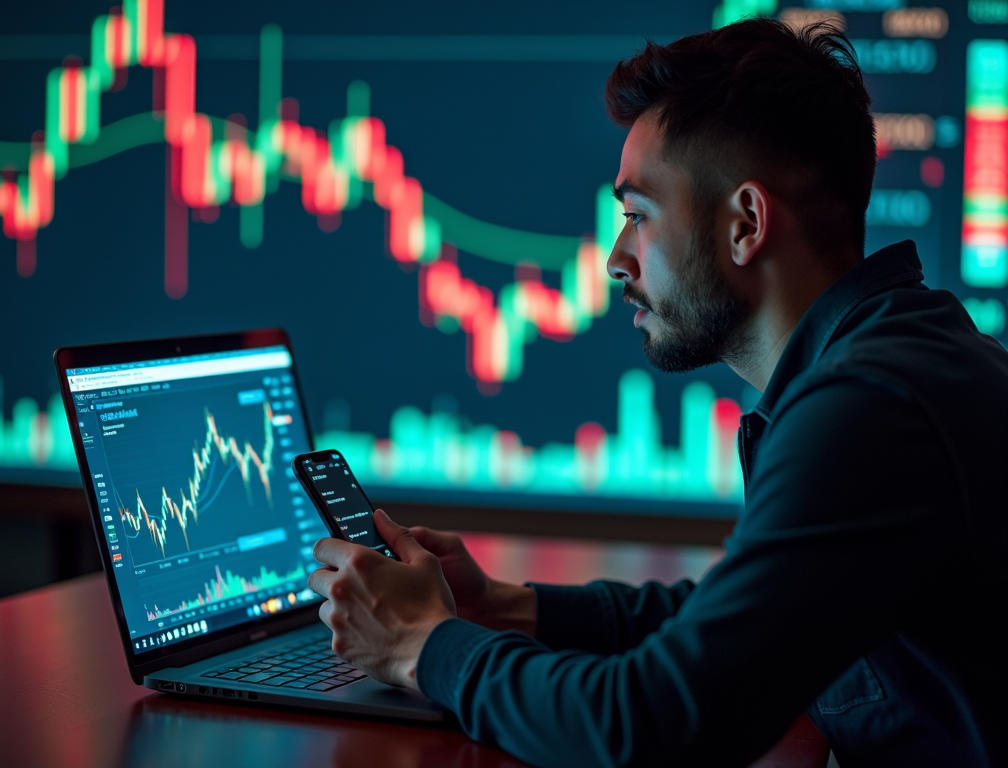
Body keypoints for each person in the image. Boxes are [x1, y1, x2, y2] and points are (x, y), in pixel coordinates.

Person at [307, 18, 1008, 768]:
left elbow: (652, 725)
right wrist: (502, 608)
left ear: (746, 223)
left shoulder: (869, 410)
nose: (615, 260)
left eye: (638, 216)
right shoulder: (893, 362)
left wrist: (426, 648)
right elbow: (740, 623)